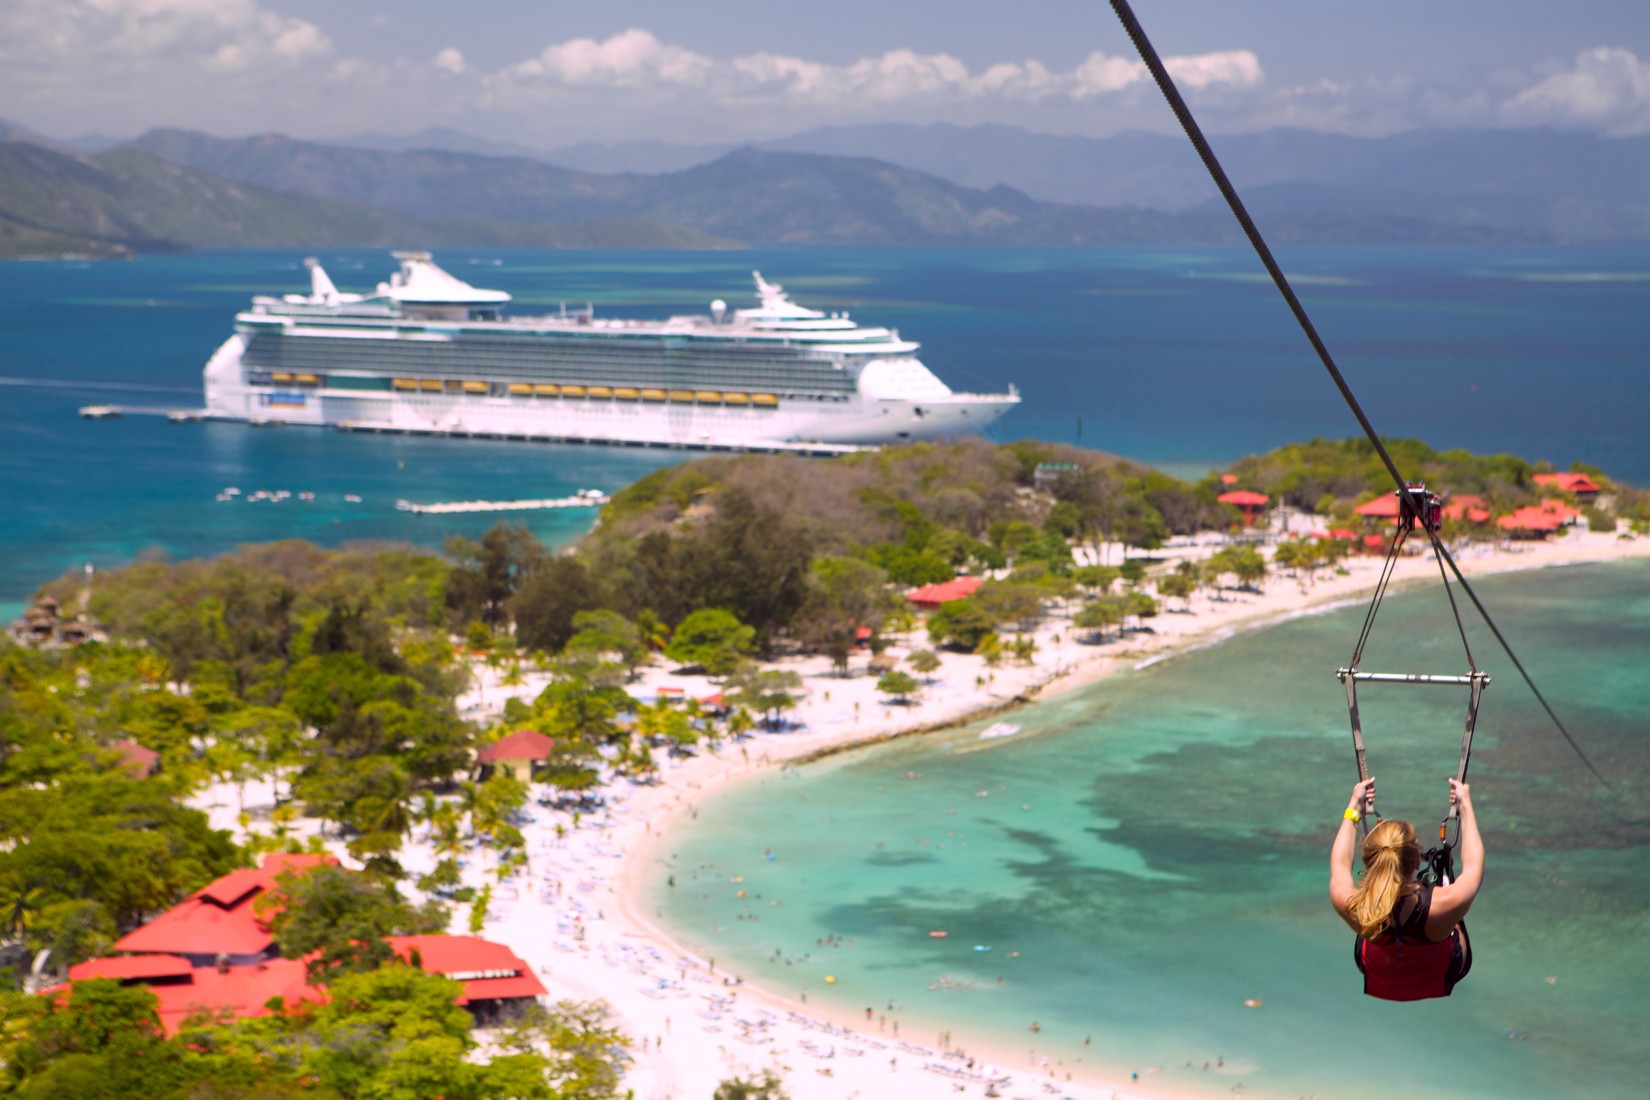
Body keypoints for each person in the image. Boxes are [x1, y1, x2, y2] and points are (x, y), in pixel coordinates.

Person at [1329, 776, 1482, 1001]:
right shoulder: (1446, 901)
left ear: (1370, 862)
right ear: (1417, 861)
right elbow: (1474, 865)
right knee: (1455, 916)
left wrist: (1354, 806)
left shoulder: (1351, 904)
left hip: (1378, 970)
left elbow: (1340, 864)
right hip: (1441, 970)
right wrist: (1465, 805)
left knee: (1372, 925)